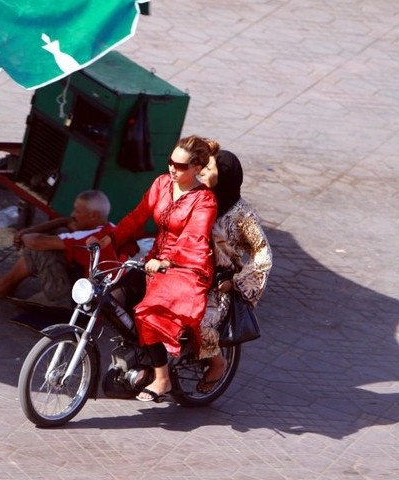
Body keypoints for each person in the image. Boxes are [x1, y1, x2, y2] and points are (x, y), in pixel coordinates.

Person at [89, 135, 218, 403]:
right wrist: (109, 238)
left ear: (196, 168)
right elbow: (138, 216)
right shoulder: (162, 183)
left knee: (147, 312)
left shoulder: (204, 200)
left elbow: (194, 237)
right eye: (170, 162)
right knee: (112, 298)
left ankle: (162, 378)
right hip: (154, 263)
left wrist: (167, 261)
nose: (172, 169)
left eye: (180, 166)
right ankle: (144, 351)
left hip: (186, 268)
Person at [195, 146, 273, 393]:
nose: (202, 173)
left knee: (199, 323)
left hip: (219, 285)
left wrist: (237, 282)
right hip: (188, 273)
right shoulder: (199, 198)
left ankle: (217, 362)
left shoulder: (242, 215)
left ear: (225, 175)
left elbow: (262, 252)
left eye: (209, 169)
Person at [0, 190, 123, 308]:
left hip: (84, 302)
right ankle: (5, 284)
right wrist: (62, 221)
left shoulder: (88, 237)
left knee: (39, 247)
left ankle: (4, 286)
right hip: (106, 300)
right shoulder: (113, 230)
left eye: (77, 211)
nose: (72, 214)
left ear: (93, 216)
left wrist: (22, 235)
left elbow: (34, 242)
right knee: (53, 242)